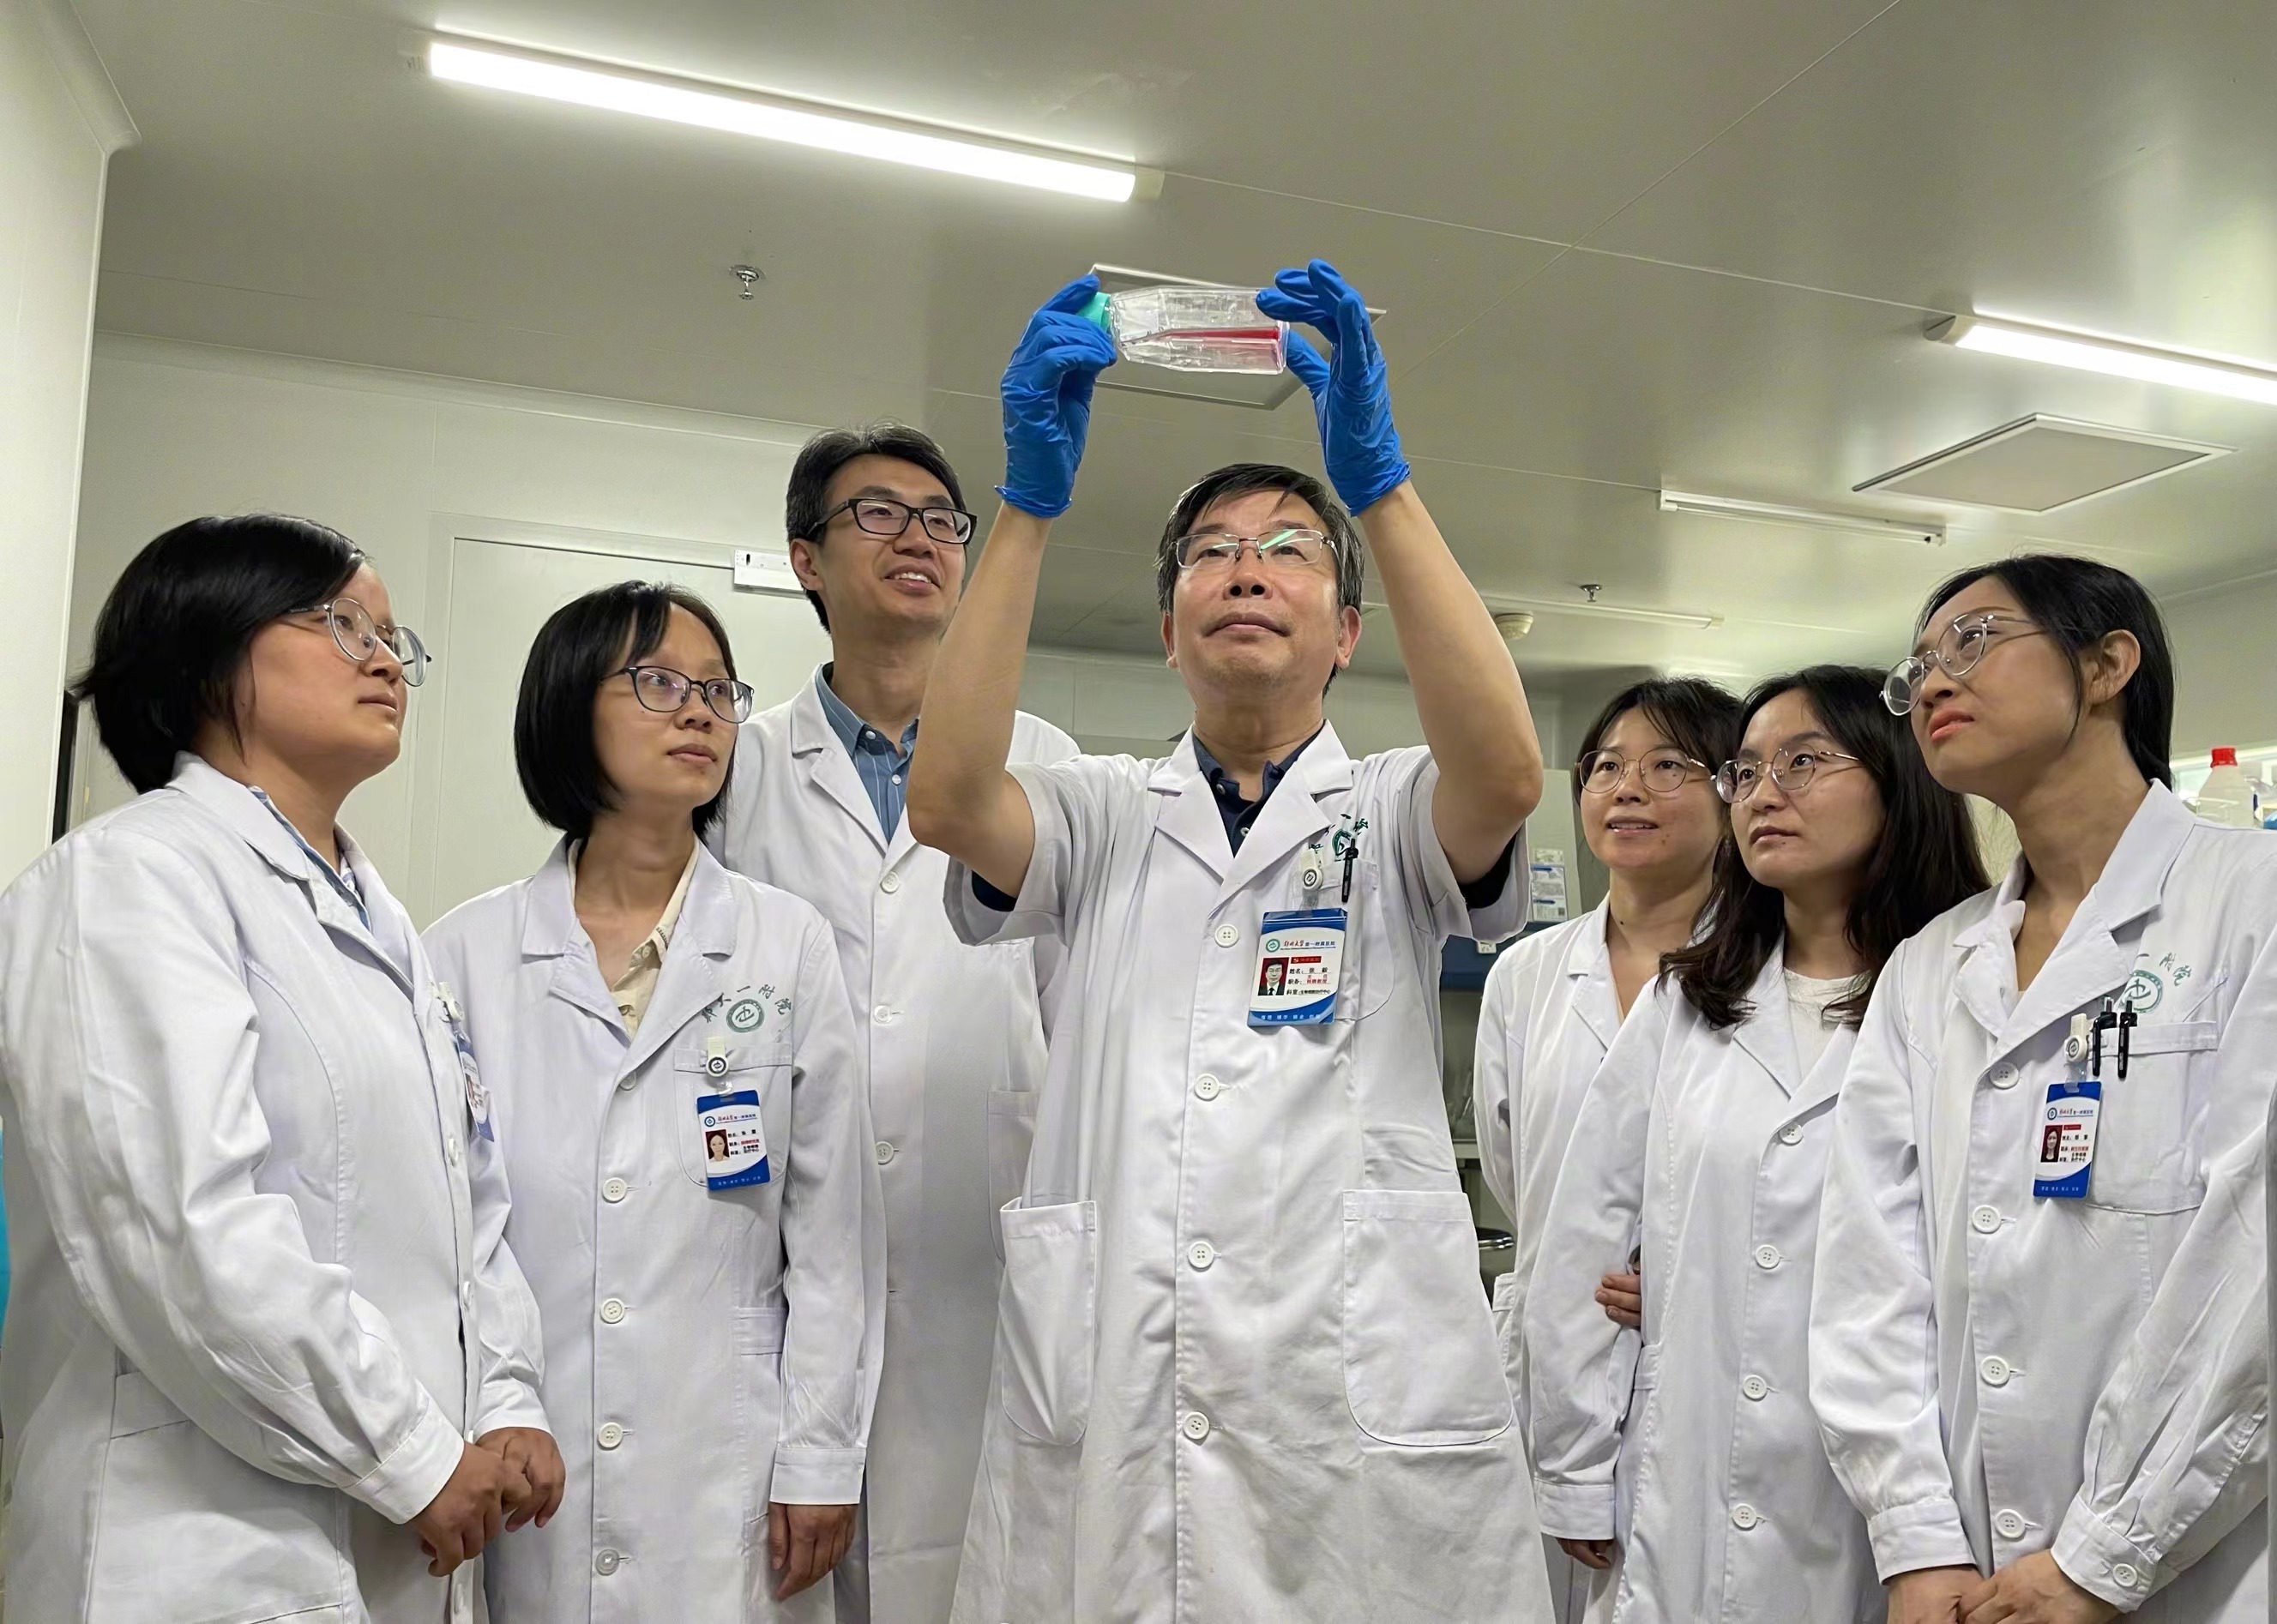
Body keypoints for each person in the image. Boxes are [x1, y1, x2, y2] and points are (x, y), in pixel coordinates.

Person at [907, 262, 1555, 1622]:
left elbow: (1502, 772)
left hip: (1347, 1412)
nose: (1246, 568)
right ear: (1166, 629)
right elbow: (950, 799)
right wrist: (1024, 507)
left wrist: (1379, 486)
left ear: (1346, 631)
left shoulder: (1388, 814)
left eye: (1289, 549)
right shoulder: (1097, 815)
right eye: (1208, 551)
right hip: (1123, 1398)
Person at [0, 514, 559, 1623]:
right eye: (342, 622)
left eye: (393, 636)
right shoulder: (127, 879)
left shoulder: (387, 930)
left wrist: (505, 1400)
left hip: (394, 1529)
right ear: (205, 648)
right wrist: (409, 1450)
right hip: (198, 1546)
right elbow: (182, 1230)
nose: (384, 658)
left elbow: (469, 1220)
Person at [1812, 557, 2277, 1624]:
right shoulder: (1933, 966)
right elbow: (1869, 1272)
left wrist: (2105, 1553)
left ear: (2107, 665)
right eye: (1918, 667)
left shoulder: (2252, 905)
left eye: (1973, 640)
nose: (1933, 681)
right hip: (1968, 1575)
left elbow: (2255, 1261)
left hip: (2206, 1558)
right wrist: (1916, 1537)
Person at [425, 582, 886, 1621]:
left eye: (719, 691)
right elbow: (460, 1231)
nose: (700, 713)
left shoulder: (784, 943)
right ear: (566, 706)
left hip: (728, 1464)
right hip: (529, 1452)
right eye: (660, 683)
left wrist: (821, 1453)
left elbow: (832, 1234)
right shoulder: (463, 955)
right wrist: (494, 1401)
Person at [708, 422, 1078, 1623]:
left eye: (940, 519)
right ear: (805, 559)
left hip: (985, 1265)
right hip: (772, 1264)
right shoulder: (737, 770)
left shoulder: (1047, 766)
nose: (917, 537)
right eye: (876, 512)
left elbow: (1079, 1016)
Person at [1526, 665, 1986, 1621]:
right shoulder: (1688, 999)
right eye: (1745, 772)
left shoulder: (1965, 994)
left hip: (1901, 1491)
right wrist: (1574, 1464)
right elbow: (1587, 1232)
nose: (1763, 793)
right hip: (1686, 1476)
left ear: (1898, 777)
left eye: (1803, 762)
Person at [1473, 677, 1743, 1622]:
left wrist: (1683, 1269)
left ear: (1732, 790)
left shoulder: (1773, 970)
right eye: (1605, 768)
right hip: (1553, 1370)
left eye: (1667, 765)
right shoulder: (1527, 975)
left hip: (1713, 1365)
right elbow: (1522, 1176)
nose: (1627, 789)